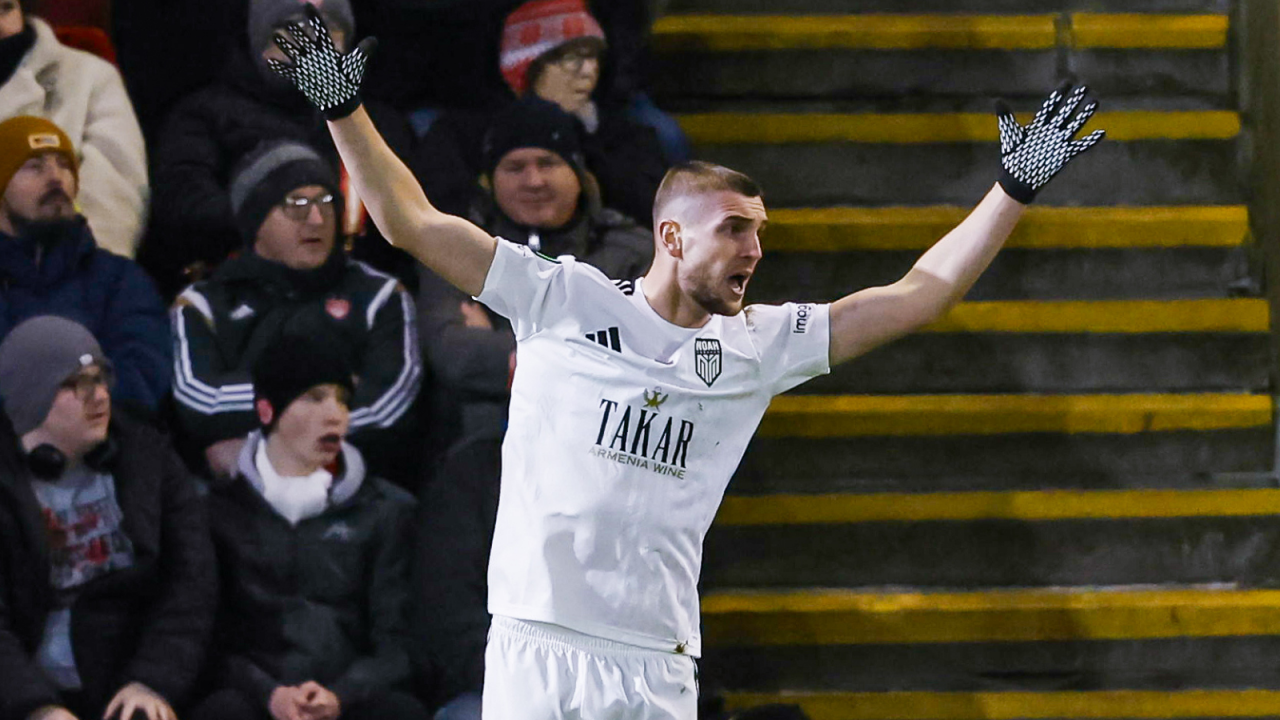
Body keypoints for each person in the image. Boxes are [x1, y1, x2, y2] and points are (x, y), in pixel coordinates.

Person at [266, 8, 1105, 716]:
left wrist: (1012, 190)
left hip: (657, 664)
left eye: (762, 231)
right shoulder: (561, 298)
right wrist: (344, 109)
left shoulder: (758, 346)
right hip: (538, 648)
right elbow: (410, 222)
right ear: (671, 237)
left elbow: (921, 293)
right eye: (735, 229)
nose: (755, 248)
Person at [189, 329, 428, 720]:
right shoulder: (216, 512)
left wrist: (341, 695)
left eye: (342, 400)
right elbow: (204, 639)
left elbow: (400, 644)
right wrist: (270, 695)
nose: (335, 414)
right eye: (314, 398)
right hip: (254, 700)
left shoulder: (384, 510)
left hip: (352, 700)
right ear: (267, 411)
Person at [169, 140, 422, 487]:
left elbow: (388, 410)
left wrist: (268, 449)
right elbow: (201, 403)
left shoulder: (378, 296)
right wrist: (336, 394)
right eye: (297, 205)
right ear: (255, 220)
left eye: (327, 202)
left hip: (361, 491)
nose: (317, 219)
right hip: (238, 501)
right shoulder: (203, 304)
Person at [0, 316, 216, 720]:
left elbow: (191, 582)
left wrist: (154, 680)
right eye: (76, 384)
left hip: (130, 687)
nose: (99, 396)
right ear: (31, 395)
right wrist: (35, 707)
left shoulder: (147, 458)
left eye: (100, 378)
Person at [141, 0, 425, 299]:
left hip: (362, 308)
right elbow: (181, 209)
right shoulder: (205, 116)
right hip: (243, 300)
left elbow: (417, 225)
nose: (315, 43)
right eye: (294, 28)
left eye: (329, 27)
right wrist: (277, 216)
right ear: (261, 39)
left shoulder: (378, 124)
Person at [417, 95, 651, 451]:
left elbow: (638, 359)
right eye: (515, 167)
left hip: (601, 446)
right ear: (490, 179)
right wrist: (579, 344)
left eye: (548, 163)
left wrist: (506, 348)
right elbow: (451, 352)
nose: (534, 180)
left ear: (578, 173)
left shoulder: (633, 250)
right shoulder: (456, 249)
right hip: (482, 452)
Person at [418, 0, 667, 226]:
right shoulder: (460, 135)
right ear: (525, 66)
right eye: (571, 58)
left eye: (592, 57)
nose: (588, 71)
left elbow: (654, 213)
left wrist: (583, 141)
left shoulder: (626, 135)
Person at [0, 116, 171, 411]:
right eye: (34, 166)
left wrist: (70, 417)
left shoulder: (118, 278)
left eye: (64, 165)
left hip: (105, 442)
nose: (55, 177)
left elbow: (143, 370)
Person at [0, 0, 148, 258]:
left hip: (69, 274)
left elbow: (114, 198)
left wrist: (79, 275)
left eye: (5, 8)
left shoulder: (88, 76)